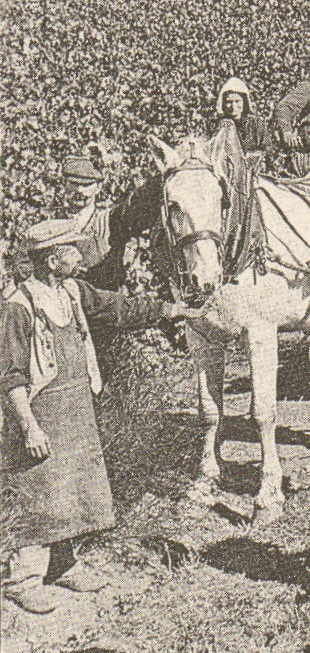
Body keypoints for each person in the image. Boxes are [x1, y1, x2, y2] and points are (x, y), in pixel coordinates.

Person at [2, 220, 193, 614]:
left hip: (75, 407)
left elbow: (115, 306)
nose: (81, 254)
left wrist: (166, 309)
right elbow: (10, 376)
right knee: (37, 488)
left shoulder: (71, 290)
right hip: (42, 411)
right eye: (73, 249)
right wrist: (29, 426)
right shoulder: (19, 305)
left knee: (71, 486)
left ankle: (63, 564)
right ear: (53, 259)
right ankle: (24, 578)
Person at [59, 154, 137, 295]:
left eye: (87, 184)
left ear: (98, 186)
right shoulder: (52, 224)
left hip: (108, 304)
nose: (79, 190)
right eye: (73, 183)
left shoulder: (112, 220)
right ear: (63, 184)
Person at [212, 76, 273, 160]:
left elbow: (268, 149)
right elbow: (214, 150)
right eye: (229, 102)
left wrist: (255, 155)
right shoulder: (220, 125)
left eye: (237, 101)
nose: (233, 106)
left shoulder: (256, 124)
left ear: (244, 102)